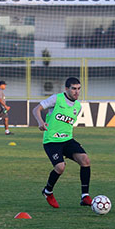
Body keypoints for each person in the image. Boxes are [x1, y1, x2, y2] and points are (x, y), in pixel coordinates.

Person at [31, 77, 92, 208]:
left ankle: (85, 196)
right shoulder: (56, 99)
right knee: (60, 167)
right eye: (74, 89)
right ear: (66, 89)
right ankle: (48, 192)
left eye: (79, 89)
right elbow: (36, 109)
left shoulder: (78, 106)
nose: (77, 92)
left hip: (67, 140)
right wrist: (41, 122)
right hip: (52, 140)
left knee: (85, 160)